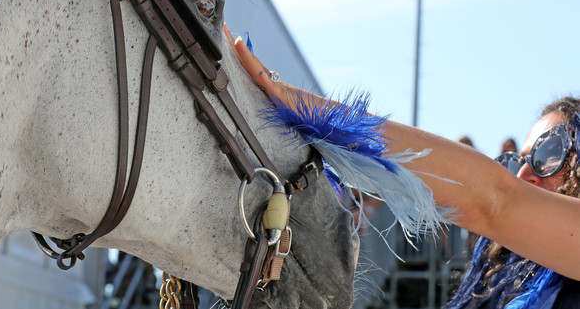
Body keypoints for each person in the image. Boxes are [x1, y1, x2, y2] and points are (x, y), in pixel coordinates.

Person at [226, 26, 580, 282]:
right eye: (513, 163)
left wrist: (309, 112)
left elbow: (495, 200)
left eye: (549, 153)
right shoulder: (499, 285)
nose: (522, 175)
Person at [443, 97, 580, 308]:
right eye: (519, 163)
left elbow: (499, 203)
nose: (522, 175)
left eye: (547, 156)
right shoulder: (506, 282)